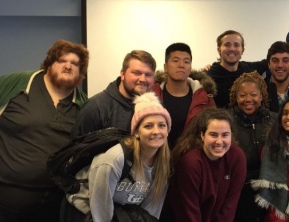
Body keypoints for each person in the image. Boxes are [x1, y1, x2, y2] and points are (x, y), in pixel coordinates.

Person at [0, 39, 89, 222]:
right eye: (62, 61)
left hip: (50, 202)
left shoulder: (83, 106)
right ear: (49, 64)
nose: (68, 66)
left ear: (81, 72)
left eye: (75, 64)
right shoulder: (14, 85)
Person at [65, 92, 171, 221]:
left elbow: (149, 213)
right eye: (148, 126)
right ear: (136, 132)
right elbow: (101, 212)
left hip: (119, 213)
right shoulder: (115, 159)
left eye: (162, 125)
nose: (156, 131)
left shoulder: (163, 164)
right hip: (84, 212)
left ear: (167, 130)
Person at [167, 108, 247, 222]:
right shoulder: (190, 162)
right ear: (202, 135)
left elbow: (230, 205)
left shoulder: (237, 157)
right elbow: (189, 211)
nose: (219, 141)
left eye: (225, 135)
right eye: (213, 135)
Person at [227, 71, 276, 222]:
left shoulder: (275, 120)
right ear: (236, 97)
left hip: (269, 191)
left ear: (261, 96)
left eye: (254, 95)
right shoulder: (226, 120)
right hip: (237, 192)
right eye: (242, 95)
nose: (248, 99)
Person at [72, 50, 156, 137]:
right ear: (123, 74)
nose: (143, 79)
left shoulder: (155, 108)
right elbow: (78, 148)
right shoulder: (96, 107)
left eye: (148, 74)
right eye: (136, 73)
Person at [152, 42, 216, 148]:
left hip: (191, 158)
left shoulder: (204, 98)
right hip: (155, 157)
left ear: (190, 67)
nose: (181, 65)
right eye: (175, 61)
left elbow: (213, 131)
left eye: (186, 61)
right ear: (166, 67)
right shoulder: (151, 94)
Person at [206, 30, 268, 108]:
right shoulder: (208, 77)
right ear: (219, 50)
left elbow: (272, 60)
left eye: (236, 45)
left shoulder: (250, 70)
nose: (232, 49)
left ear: (242, 50)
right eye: (227, 45)